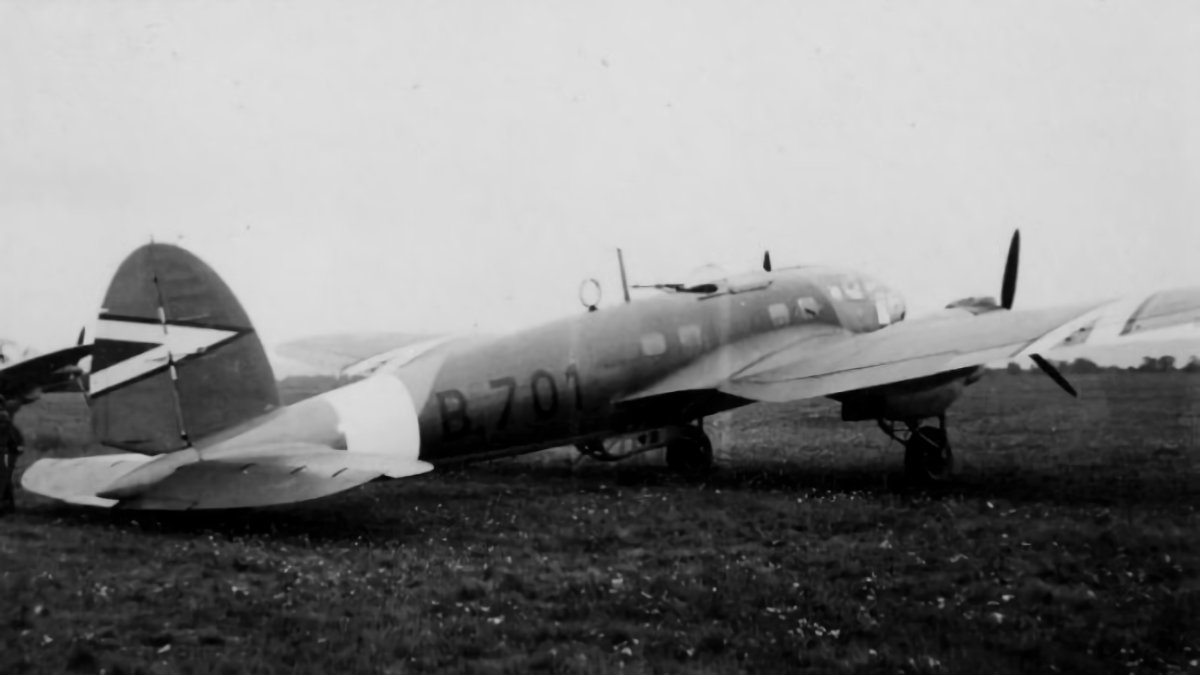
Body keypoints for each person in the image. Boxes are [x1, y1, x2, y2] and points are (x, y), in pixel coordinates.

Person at [0, 394, 24, 515]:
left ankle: (5, 507)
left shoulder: (3, 417)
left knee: (3, 477)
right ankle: (7, 506)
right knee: (5, 478)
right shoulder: (5, 417)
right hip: (6, 453)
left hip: (4, 454)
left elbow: (11, 436)